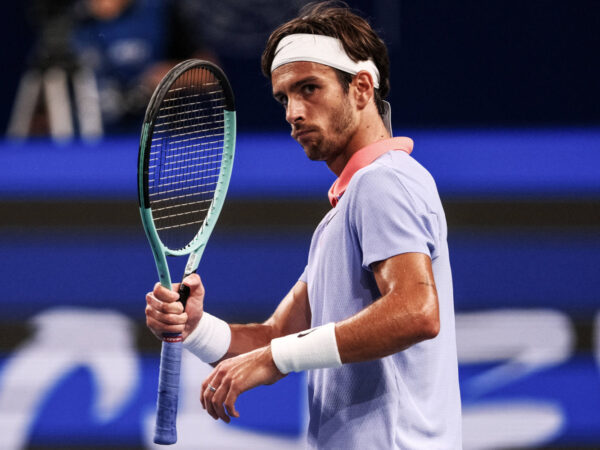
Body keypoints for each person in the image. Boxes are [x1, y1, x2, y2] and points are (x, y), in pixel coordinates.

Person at [145, 2, 462, 448]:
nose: (292, 112)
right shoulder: (346, 210)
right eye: (284, 98)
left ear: (362, 89)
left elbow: (416, 311)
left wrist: (277, 359)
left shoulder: (384, 182)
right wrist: (195, 326)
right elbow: (279, 334)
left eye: (309, 88)